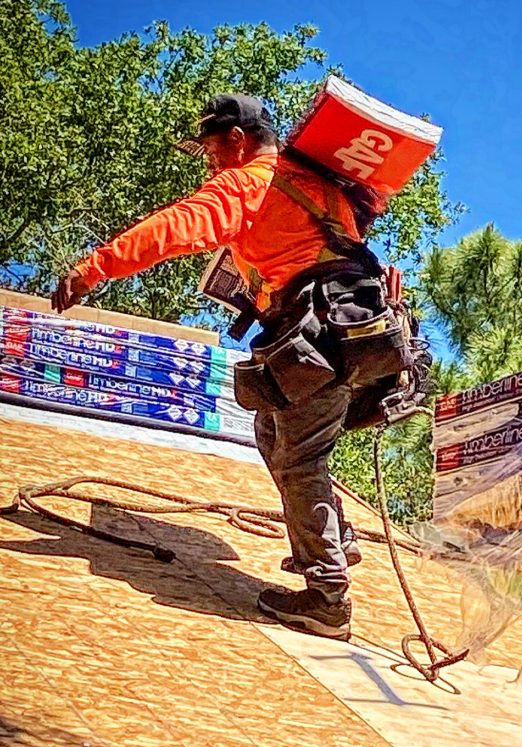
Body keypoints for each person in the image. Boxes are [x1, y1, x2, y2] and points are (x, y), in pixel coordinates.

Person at [52, 93, 406, 641]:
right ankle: (337, 538)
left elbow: (178, 225)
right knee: (272, 431)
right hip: (367, 336)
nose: (208, 161)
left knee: (299, 458)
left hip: (317, 335)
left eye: (211, 148)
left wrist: (94, 267)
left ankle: (327, 598)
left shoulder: (249, 182)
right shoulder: (318, 183)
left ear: (237, 140)